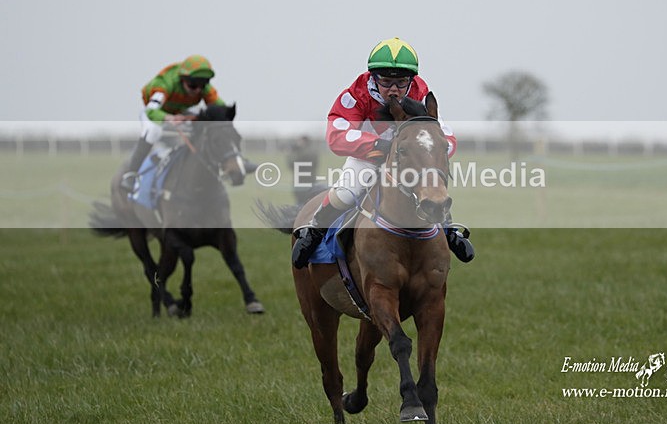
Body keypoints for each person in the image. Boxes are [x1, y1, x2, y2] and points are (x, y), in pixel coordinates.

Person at [291, 37, 474, 268]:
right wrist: (378, 146)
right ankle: (314, 231)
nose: (394, 90)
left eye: (401, 83)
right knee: (347, 192)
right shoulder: (356, 93)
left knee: (431, 186)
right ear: (373, 78)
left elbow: (446, 137)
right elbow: (337, 135)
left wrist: (428, 152)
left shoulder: (420, 92)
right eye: (386, 82)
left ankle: (448, 230)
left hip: (408, 159)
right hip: (368, 156)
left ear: (411, 80)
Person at [121, 55, 251, 192]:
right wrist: (169, 118)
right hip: (156, 113)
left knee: (214, 126)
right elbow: (151, 111)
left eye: (203, 84)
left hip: (180, 111)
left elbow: (220, 109)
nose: (198, 90)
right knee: (153, 131)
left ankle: (235, 162)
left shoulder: (204, 89)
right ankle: (131, 175)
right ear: (182, 80)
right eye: (193, 85)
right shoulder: (165, 84)